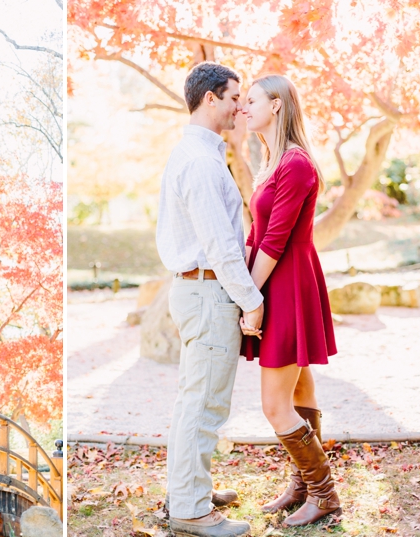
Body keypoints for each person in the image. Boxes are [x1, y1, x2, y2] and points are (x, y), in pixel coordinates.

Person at [155, 61, 264, 537]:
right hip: (207, 289)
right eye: (235, 96)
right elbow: (219, 245)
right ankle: (192, 510)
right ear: (211, 98)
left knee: (194, 399)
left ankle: (189, 488)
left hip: (196, 288)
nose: (242, 105)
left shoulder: (197, 155)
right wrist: (251, 299)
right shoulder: (200, 162)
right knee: (205, 403)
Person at [240, 74, 340, 526]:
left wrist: (249, 298)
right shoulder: (273, 162)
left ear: (277, 105)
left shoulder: (296, 164)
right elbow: (257, 233)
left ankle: (325, 494)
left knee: (274, 405)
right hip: (277, 279)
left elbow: (275, 241)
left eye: (252, 100)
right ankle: (303, 486)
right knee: (298, 388)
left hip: (286, 281)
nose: (243, 107)